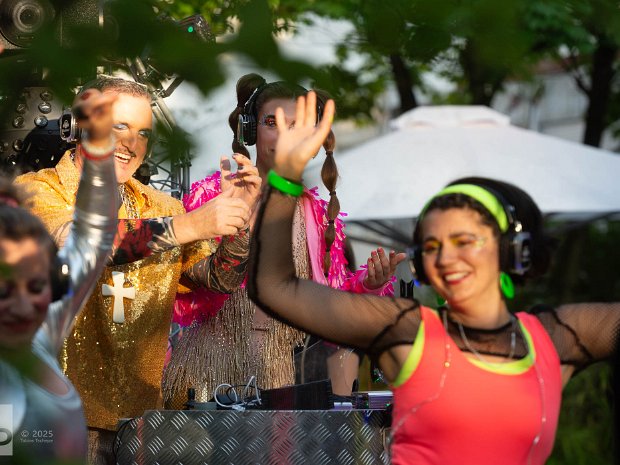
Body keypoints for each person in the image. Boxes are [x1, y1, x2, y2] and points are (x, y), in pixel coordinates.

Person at [247, 91, 620, 465]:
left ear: (513, 250)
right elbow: (276, 288)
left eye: (464, 241)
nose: (445, 258)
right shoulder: (407, 331)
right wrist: (286, 178)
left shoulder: (555, 339)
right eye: (431, 246)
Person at [14, 76, 260, 464]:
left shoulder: (163, 207)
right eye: (119, 126)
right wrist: (191, 224)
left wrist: (239, 221)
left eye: (143, 132)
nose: (130, 144)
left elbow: (218, 280)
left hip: (140, 423)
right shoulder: (36, 190)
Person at [162, 74, 405, 407]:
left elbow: (330, 303)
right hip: (206, 373)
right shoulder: (212, 194)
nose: (284, 136)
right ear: (250, 130)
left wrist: (369, 285)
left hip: (278, 378)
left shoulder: (316, 214)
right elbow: (179, 282)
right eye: (271, 123)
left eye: (295, 126)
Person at [0, 89, 117, 463]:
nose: (23, 304)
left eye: (36, 285)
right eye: (4, 290)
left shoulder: (41, 333)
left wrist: (99, 147)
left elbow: (93, 238)